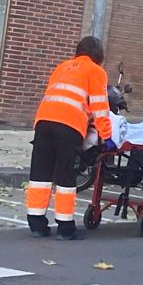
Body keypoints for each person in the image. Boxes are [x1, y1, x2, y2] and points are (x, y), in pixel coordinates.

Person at [27, 36, 114, 240]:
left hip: (43, 122)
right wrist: (106, 135)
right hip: (69, 125)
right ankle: (66, 227)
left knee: (40, 174)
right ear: (98, 55)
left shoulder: (62, 66)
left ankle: (36, 224)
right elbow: (100, 107)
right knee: (66, 175)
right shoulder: (95, 71)